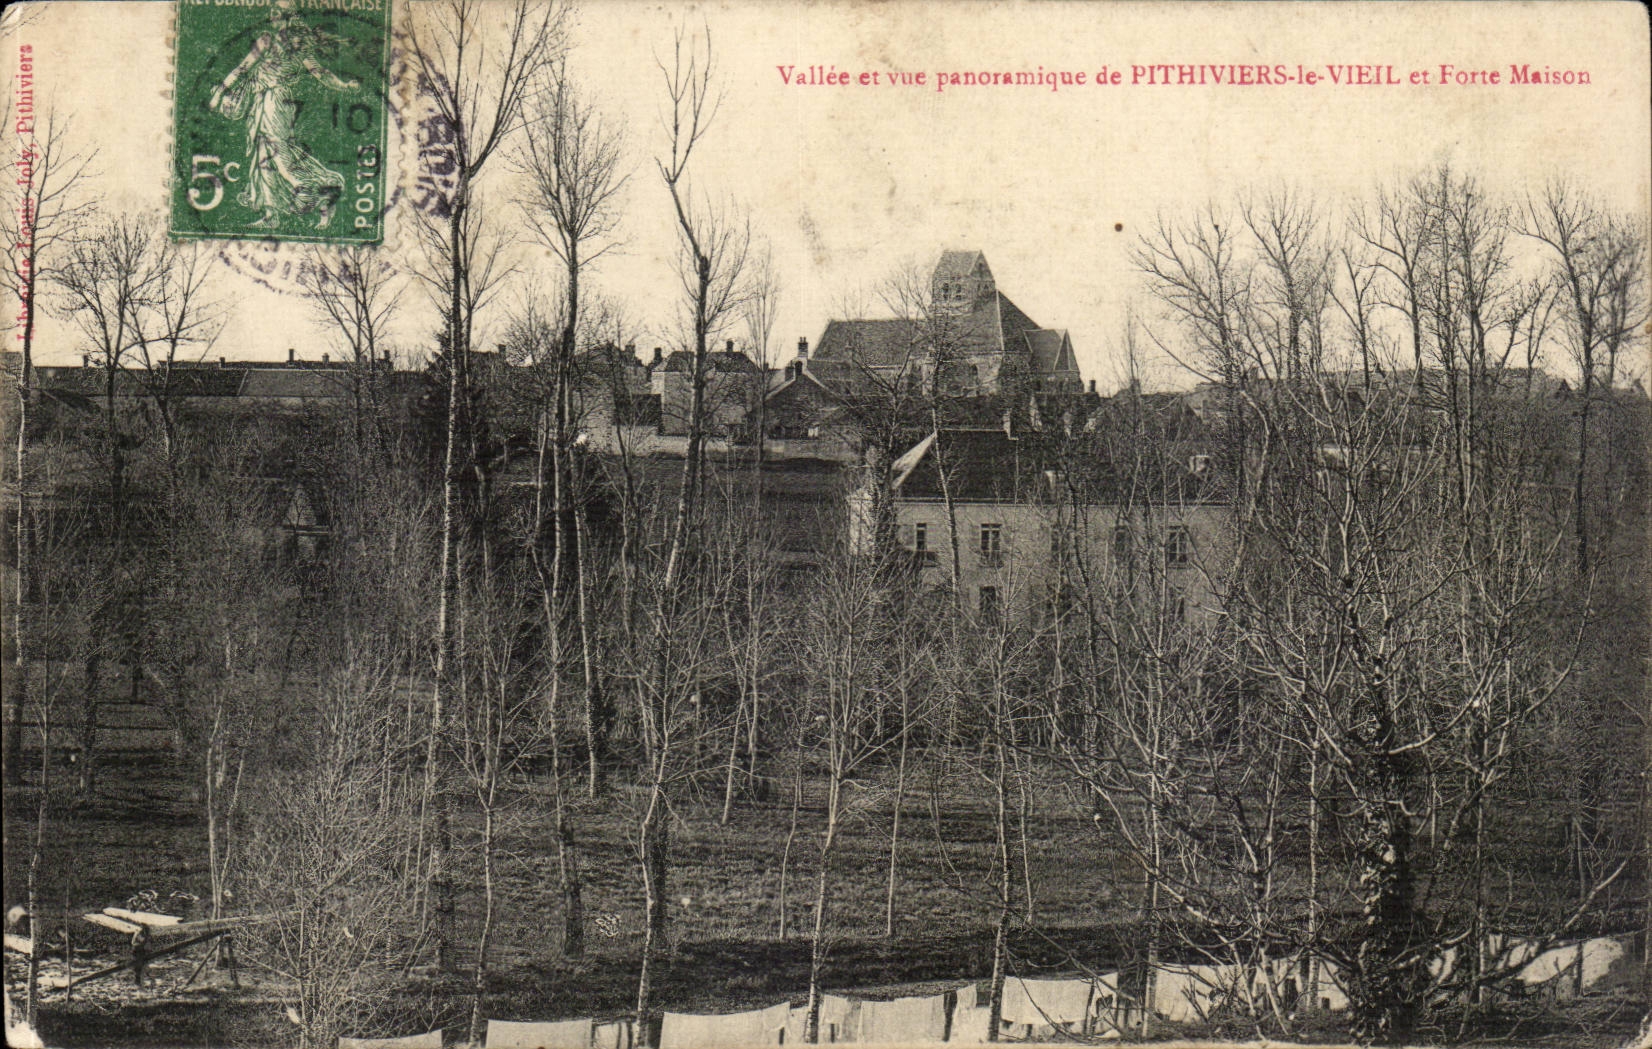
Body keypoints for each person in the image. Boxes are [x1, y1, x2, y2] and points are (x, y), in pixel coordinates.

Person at [208, 6, 358, 230]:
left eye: (278, 14)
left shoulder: (270, 41)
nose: (273, 17)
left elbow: (243, 69)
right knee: (265, 153)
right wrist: (344, 85)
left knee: (274, 150)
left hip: (272, 100)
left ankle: (307, 187)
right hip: (272, 101)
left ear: (289, 19)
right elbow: (322, 74)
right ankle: (275, 213)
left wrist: (220, 92)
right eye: (273, 13)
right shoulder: (298, 47)